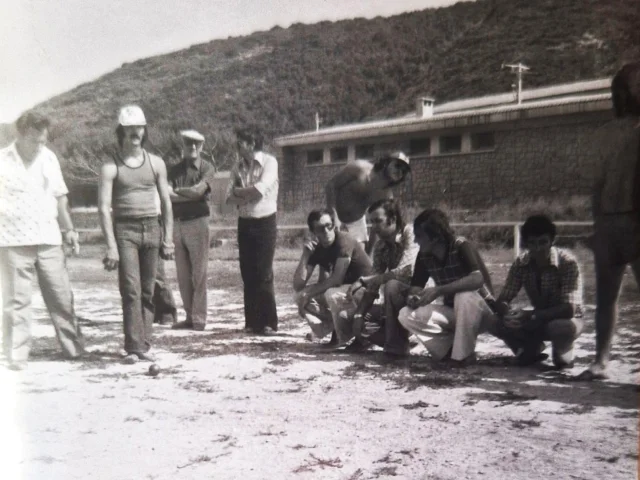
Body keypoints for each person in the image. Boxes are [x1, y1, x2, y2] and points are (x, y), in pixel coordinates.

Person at [0, 111, 85, 370]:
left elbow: (60, 197)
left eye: (43, 140)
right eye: (35, 140)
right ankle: (17, 356)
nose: (40, 146)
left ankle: (74, 349)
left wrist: (69, 230)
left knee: (60, 295)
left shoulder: (49, 158)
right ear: (21, 134)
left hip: (48, 238)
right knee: (17, 300)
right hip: (12, 240)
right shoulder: (2, 160)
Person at [98, 105, 174, 364]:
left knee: (148, 290)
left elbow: (166, 202)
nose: (135, 133)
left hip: (152, 228)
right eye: (129, 129)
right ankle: (133, 346)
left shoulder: (156, 163)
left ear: (144, 131)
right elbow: (103, 208)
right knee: (130, 289)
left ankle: (143, 343)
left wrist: (169, 238)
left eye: (139, 128)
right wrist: (111, 246)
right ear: (121, 131)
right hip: (125, 230)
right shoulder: (110, 166)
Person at [579, 61, 640, 380]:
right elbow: (596, 185)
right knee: (605, 298)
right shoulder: (605, 134)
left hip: (637, 222)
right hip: (609, 223)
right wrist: (598, 225)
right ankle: (600, 361)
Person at [397, 209, 495, 365]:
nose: (416, 241)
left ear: (435, 237)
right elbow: (416, 285)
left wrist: (439, 290)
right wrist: (413, 298)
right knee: (405, 314)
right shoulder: (424, 255)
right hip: (456, 314)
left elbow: (477, 279)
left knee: (464, 296)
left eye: (420, 236)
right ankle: (449, 352)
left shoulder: (460, 245)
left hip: (483, 313)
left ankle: (462, 357)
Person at [493, 215, 584, 369]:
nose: (538, 248)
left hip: (564, 320)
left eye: (543, 242)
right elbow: (503, 298)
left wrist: (530, 315)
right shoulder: (521, 263)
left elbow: (569, 309)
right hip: (537, 318)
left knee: (562, 355)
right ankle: (529, 349)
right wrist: (508, 313)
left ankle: (562, 348)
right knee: (493, 320)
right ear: (526, 243)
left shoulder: (567, 262)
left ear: (552, 241)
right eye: (532, 243)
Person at [342, 198, 419, 354]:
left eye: (378, 221)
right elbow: (373, 285)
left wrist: (364, 280)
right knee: (356, 305)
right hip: (396, 301)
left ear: (393, 219)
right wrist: (359, 315)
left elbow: (405, 271)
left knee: (392, 285)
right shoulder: (380, 246)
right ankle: (387, 337)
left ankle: (398, 344)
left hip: (420, 297)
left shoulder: (410, 233)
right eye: (371, 222)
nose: (374, 227)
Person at [225, 126, 279, 334]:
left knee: (264, 272)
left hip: (265, 222)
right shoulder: (237, 166)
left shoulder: (270, 162)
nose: (238, 145)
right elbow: (228, 197)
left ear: (252, 142)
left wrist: (241, 192)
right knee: (247, 272)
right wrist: (244, 192)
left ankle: (268, 322)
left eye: (241, 141)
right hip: (245, 222)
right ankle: (252, 322)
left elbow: (259, 191)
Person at [293, 209, 373, 346]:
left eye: (328, 226)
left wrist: (309, 293)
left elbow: (336, 279)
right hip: (346, 291)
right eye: (320, 228)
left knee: (331, 294)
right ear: (313, 232)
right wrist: (305, 256)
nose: (325, 231)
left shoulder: (344, 240)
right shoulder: (317, 247)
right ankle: (336, 327)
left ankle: (348, 335)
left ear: (334, 226)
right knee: (299, 295)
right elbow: (298, 285)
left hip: (366, 291)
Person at [168, 130, 215, 331]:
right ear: (183, 146)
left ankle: (199, 319)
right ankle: (189, 316)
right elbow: (166, 195)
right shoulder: (173, 170)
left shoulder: (207, 168)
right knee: (182, 274)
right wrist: (191, 194)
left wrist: (179, 192)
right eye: (188, 143)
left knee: (199, 273)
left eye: (196, 144)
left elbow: (199, 191)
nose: (192, 147)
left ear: (202, 146)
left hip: (198, 222)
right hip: (177, 223)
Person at [325, 152, 410, 252]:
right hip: (333, 218)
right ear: (387, 162)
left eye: (403, 171)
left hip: (357, 225)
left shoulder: (386, 196)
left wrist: (369, 252)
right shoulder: (359, 168)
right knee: (327, 259)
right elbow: (331, 185)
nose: (399, 171)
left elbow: (377, 226)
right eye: (397, 165)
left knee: (358, 263)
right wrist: (333, 214)